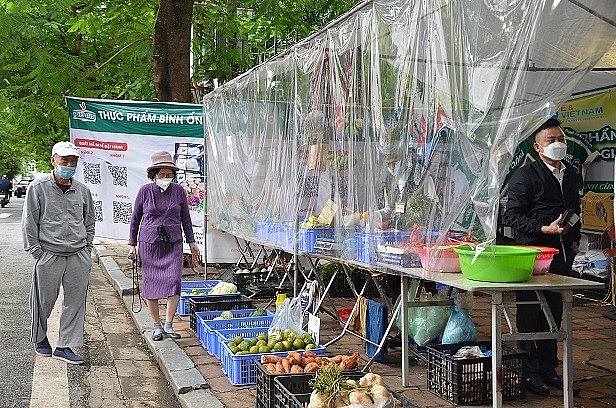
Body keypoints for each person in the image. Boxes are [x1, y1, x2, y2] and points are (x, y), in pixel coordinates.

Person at [503, 118, 581, 396]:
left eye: (561, 138)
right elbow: (511, 216)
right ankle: (527, 371)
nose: (558, 143)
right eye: (551, 140)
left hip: (561, 256)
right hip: (533, 256)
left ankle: (549, 368)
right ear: (537, 147)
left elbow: (575, 208)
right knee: (530, 314)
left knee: (555, 311)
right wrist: (542, 228)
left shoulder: (571, 174)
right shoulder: (525, 177)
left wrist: (573, 240)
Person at [22, 141, 95, 365]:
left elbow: (89, 221)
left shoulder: (82, 190)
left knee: (75, 302)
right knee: (43, 301)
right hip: (48, 254)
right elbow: (29, 222)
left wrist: (87, 248)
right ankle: (40, 338)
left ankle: (65, 346)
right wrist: (37, 252)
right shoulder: (38, 187)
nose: (69, 165)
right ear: (53, 160)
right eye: (65, 160)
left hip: (77, 255)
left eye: (73, 161)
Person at [128, 151, 201, 341]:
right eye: (162, 175)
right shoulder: (145, 191)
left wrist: (192, 243)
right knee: (151, 285)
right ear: (154, 175)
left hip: (173, 243)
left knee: (174, 282)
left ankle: (169, 324)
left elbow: (186, 219)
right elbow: (135, 219)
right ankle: (156, 325)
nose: (166, 178)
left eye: (169, 174)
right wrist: (132, 245)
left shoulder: (179, 191)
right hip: (150, 244)